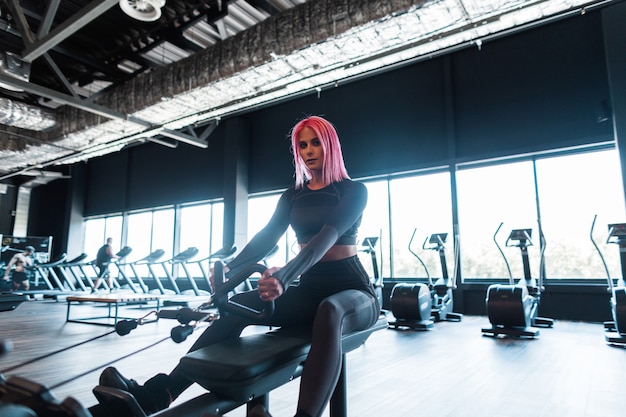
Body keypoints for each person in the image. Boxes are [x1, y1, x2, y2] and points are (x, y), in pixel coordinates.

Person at [96, 116, 380, 417]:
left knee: (330, 311)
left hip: (352, 291)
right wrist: (230, 270)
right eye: (302, 145)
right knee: (238, 305)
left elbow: (327, 236)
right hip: (310, 290)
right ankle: (160, 393)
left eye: (315, 143)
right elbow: (267, 237)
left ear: (330, 146)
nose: (309, 151)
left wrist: (285, 275)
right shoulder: (293, 195)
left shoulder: (352, 191)